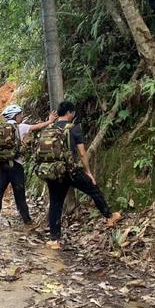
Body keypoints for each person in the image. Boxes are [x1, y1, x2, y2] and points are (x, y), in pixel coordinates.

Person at [45, 101, 122, 250]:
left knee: (55, 203)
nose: (73, 115)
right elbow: (81, 153)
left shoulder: (50, 127)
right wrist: (88, 172)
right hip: (70, 172)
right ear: (69, 113)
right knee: (93, 189)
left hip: (52, 171)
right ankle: (109, 216)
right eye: (72, 112)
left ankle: (54, 240)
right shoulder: (74, 129)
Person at [0, 105, 57, 231]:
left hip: (2, 166)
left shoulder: (0, 129)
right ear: (15, 116)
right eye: (20, 114)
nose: (21, 116)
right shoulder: (21, 127)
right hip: (16, 166)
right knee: (19, 194)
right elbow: (38, 127)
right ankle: (27, 222)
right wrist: (50, 120)